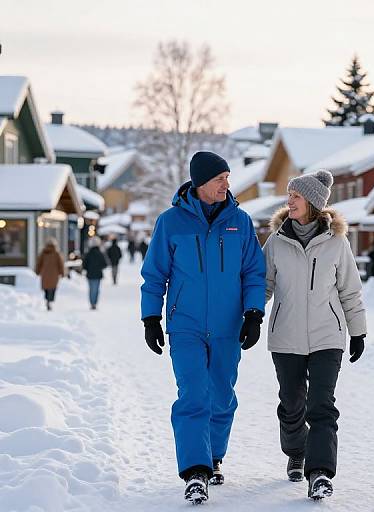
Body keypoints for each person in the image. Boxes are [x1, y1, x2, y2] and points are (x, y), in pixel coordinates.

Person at [140, 151, 265, 504]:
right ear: (200, 183)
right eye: (219, 179)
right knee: (193, 395)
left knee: (222, 397)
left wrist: (254, 313)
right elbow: (154, 275)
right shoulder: (171, 222)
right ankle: (196, 471)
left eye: (227, 177)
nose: (227, 184)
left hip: (228, 324)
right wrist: (151, 317)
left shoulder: (240, 222)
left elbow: (253, 272)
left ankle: (213, 456)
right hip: (186, 325)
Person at [263, 170, 367, 500]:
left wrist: (358, 332)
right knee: (292, 404)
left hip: (327, 337)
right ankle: (296, 449)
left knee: (321, 405)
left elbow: (350, 291)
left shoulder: (337, 243)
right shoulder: (277, 241)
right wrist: (247, 316)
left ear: (313, 203)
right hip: (286, 337)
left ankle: (320, 472)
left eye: (295, 195)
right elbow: (262, 286)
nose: (288, 200)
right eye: (289, 195)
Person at [35, 238, 64, 311]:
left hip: (45, 273)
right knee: (52, 288)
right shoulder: (56, 253)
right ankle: (50, 300)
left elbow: (39, 263)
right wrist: (62, 272)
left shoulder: (43, 253)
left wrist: (37, 271)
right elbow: (60, 264)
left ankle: (47, 300)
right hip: (54, 274)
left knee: (46, 288)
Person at [82, 236, 108, 310]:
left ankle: (92, 303)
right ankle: (94, 303)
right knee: (96, 289)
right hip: (98, 274)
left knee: (91, 289)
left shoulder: (88, 254)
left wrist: (88, 268)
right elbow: (105, 264)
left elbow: (84, 265)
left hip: (90, 274)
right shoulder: (100, 253)